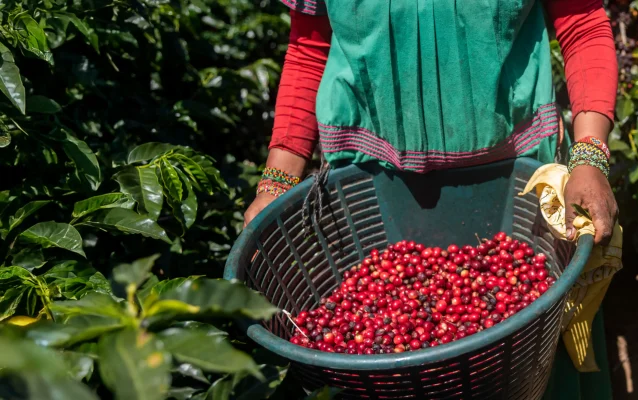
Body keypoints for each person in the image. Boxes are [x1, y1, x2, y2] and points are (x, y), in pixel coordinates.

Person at [245, 0, 618, 398]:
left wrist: (590, 156)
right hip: (367, 186)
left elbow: (582, 22)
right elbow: (309, 46)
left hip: (515, 186)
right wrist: (275, 184)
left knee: (527, 355)